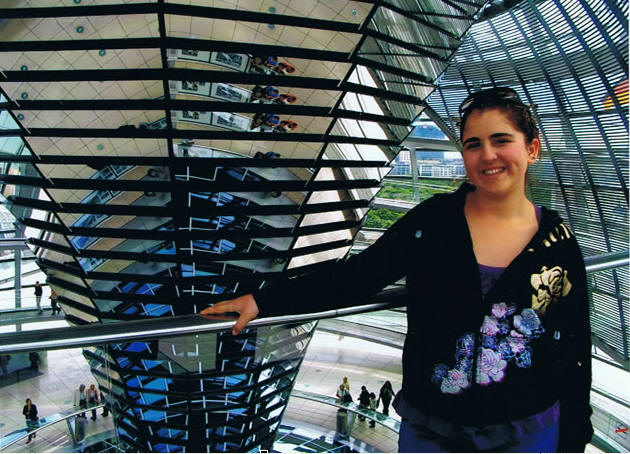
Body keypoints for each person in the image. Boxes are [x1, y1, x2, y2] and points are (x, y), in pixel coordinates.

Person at [201, 87, 592, 452]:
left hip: (526, 431)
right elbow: (357, 277)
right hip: (431, 429)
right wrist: (265, 300)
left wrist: (575, 435)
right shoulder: (435, 221)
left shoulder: (557, 242)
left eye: (501, 140)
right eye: (474, 145)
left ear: (532, 149)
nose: (487, 155)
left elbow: (574, 344)